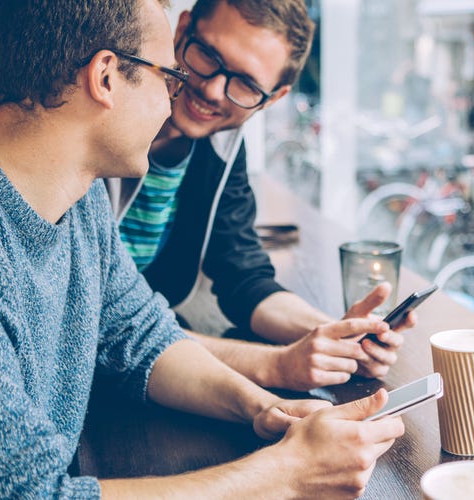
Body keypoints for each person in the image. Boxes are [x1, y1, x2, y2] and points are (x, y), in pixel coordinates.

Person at [0, 0, 403, 497]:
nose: (176, 99)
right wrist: (285, 473)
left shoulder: (81, 197)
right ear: (106, 77)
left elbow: (140, 333)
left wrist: (264, 407)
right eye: (168, 76)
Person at [105, 0, 413, 392]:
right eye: (207, 55)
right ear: (181, 29)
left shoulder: (225, 141)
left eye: (246, 85)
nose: (213, 90)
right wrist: (278, 364)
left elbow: (242, 274)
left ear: (275, 97)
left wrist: (335, 334)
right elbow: (105, 324)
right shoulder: (102, 120)